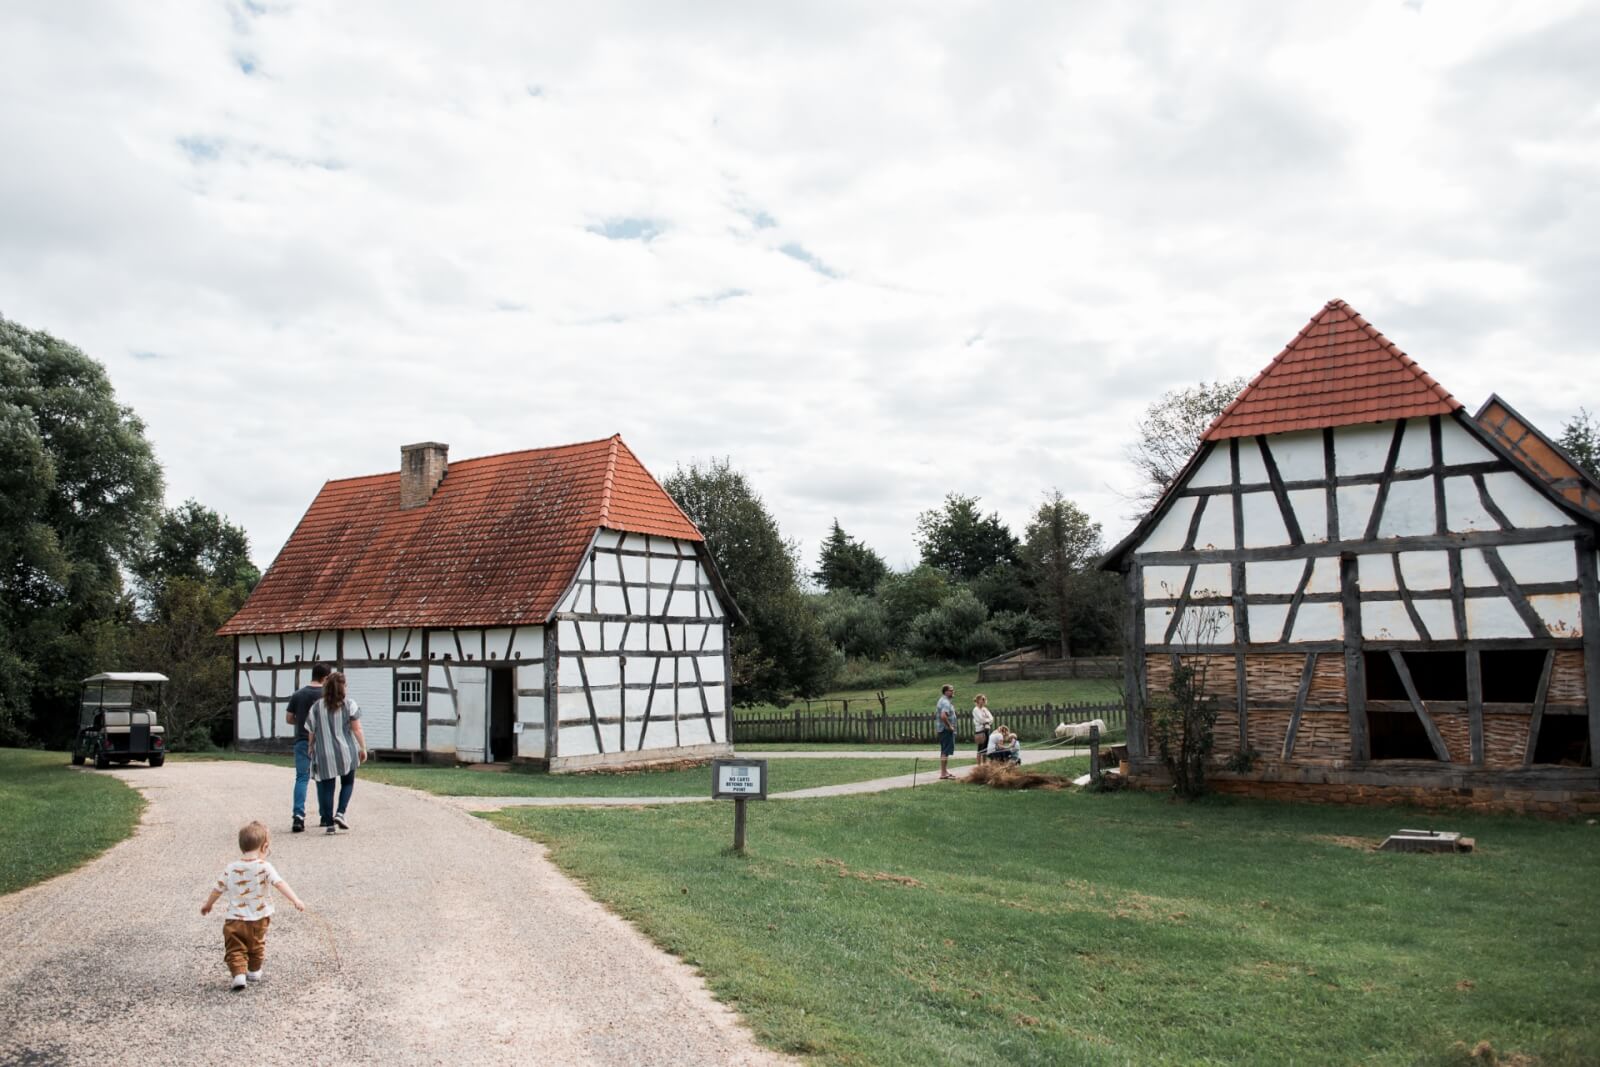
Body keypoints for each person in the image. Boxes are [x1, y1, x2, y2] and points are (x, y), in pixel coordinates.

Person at [200, 820, 305, 991]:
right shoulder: (265, 866)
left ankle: (239, 974)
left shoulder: (231, 868)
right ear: (265, 847)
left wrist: (208, 905)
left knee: (235, 947)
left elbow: (217, 888)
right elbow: (279, 883)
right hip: (259, 918)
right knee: (257, 944)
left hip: (234, 919)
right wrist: (295, 900)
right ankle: (254, 971)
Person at [305, 670, 367, 834]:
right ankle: (340, 812)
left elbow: (311, 730)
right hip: (346, 752)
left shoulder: (316, 707)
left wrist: (310, 747)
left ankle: (329, 824)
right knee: (347, 783)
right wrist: (363, 748)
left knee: (327, 788)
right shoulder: (350, 704)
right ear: (343, 687)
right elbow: (357, 729)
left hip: (324, 752)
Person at [284, 663, 330, 833]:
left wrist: (303, 721)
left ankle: (298, 816)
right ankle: (325, 816)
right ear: (325, 678)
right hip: (323, 742)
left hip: (302, 740)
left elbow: (289, 718)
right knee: (323, 778)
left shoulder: (298, 694)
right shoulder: (326, 695)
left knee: (302, 778)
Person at [934, 683, 958, 780]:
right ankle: (943, 773)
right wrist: (950, 726)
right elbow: (943, 716)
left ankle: (945, 771)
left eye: (953, 690)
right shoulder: (945, 702)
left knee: (945, 750)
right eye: (951, 690)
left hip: (943, 729)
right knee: (945, 750)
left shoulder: (945, 700)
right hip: (945, 729)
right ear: (946, 692)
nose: (953, 692)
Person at [971, 693, 994, 762]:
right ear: (978, 700)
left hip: (986, 730)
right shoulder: (976, 710)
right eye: (982, 699)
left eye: (985, 699)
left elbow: (991, 718)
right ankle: (979, 766)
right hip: (980, 731)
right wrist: (987, 720)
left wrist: (987, 721)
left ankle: (984, 765)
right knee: (980, 749)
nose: (984, 700)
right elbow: (980, 720)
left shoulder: (985, 709)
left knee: (985, 749)